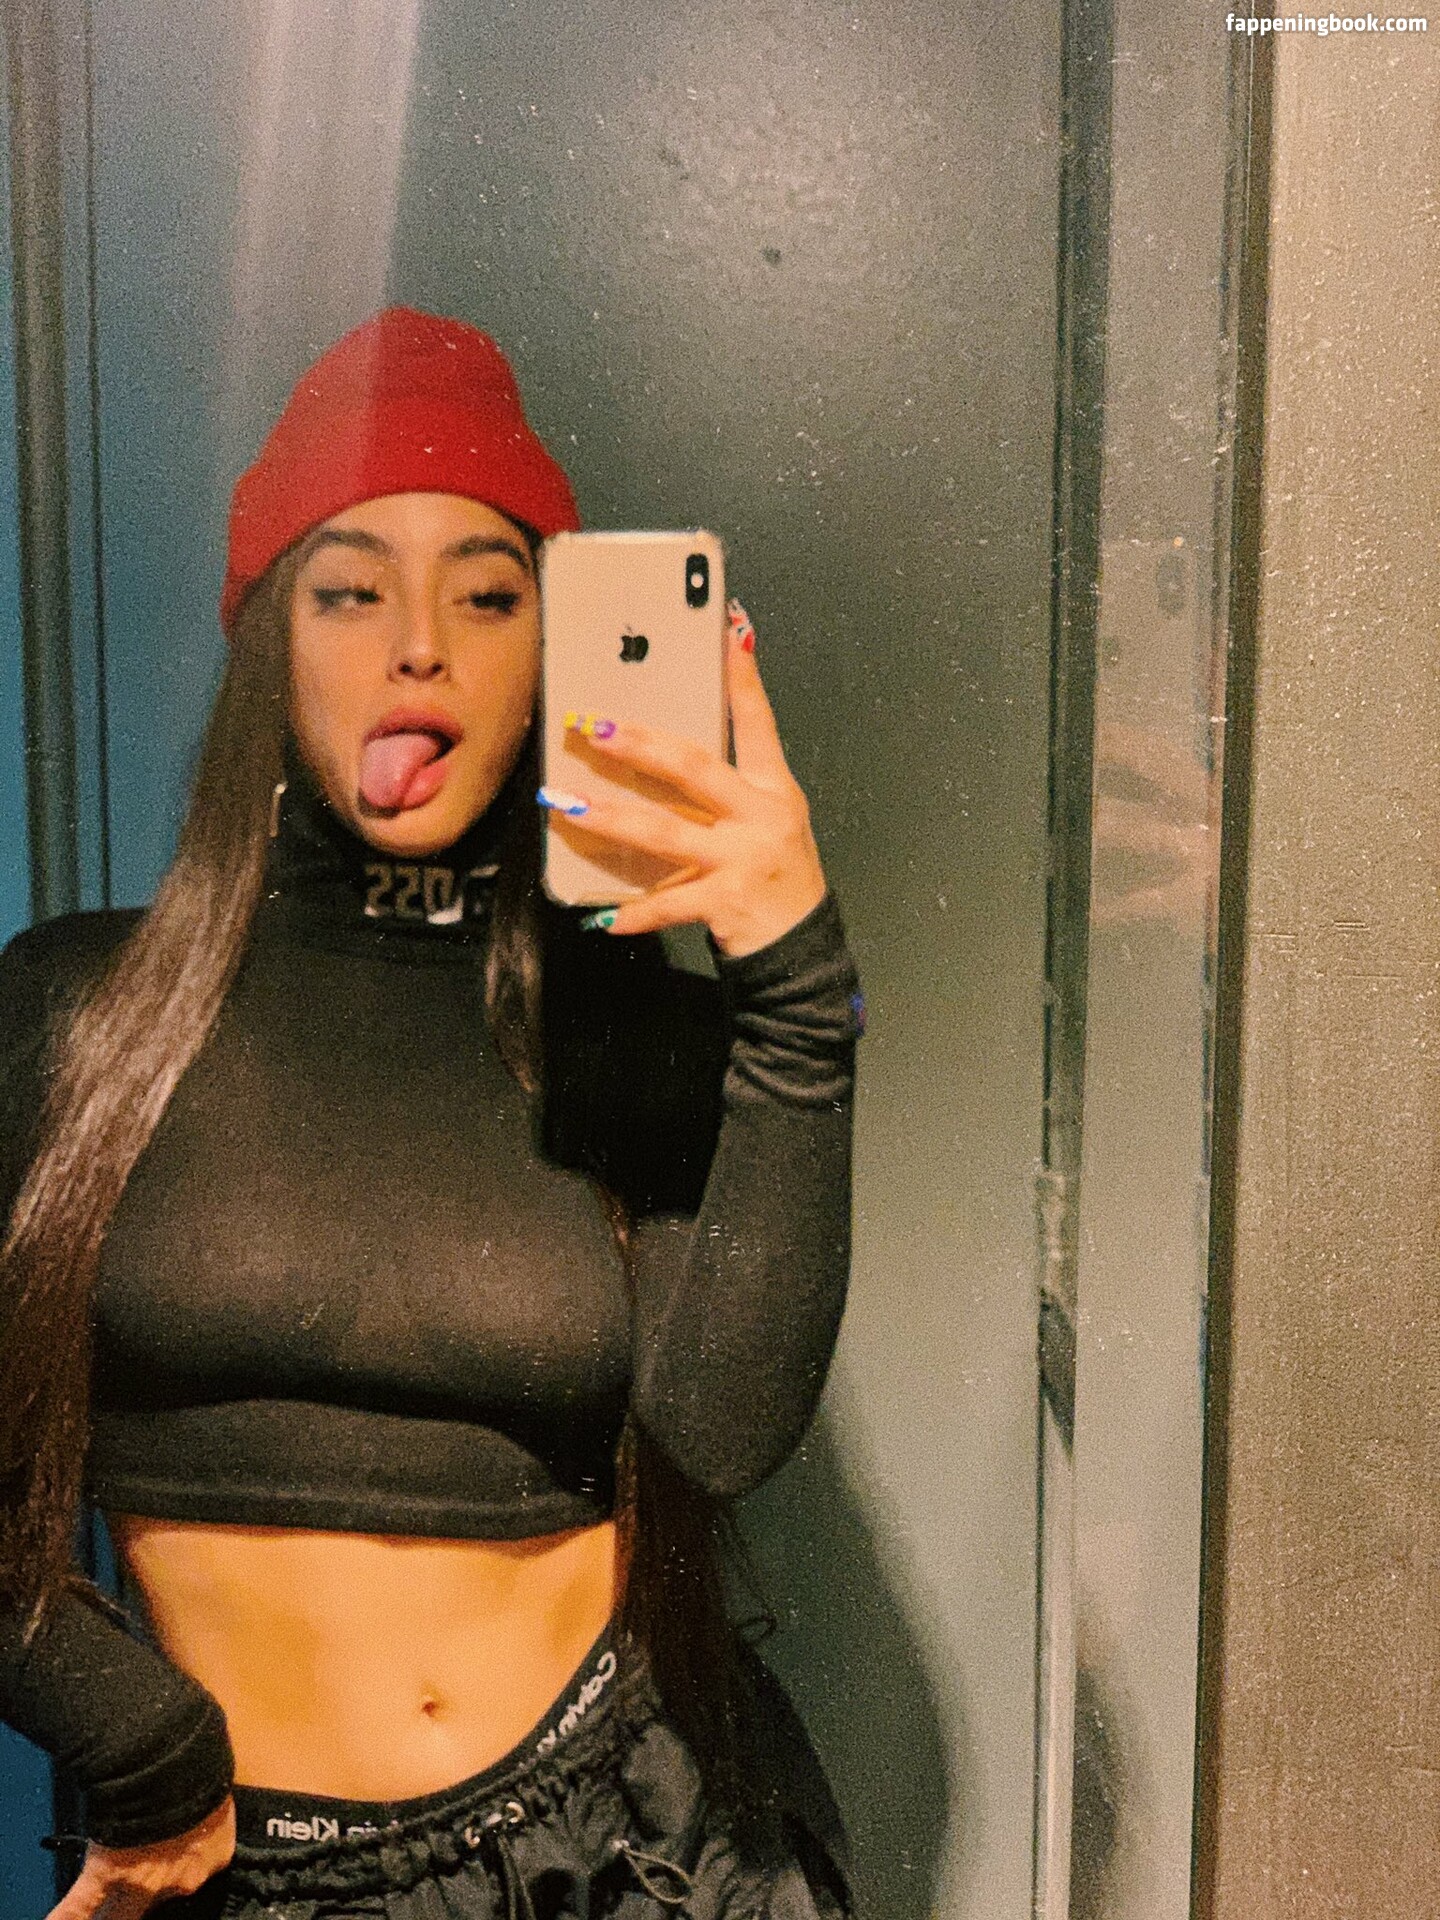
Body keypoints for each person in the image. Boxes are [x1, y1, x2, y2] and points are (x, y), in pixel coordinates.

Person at [0, 307, 864, 1919]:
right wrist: (135, 1739)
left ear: (550, 655)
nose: (422, 645)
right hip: (249, 1873)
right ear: (271, 639)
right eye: (352, 590)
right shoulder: (74, 1009)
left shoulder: (637, 1036)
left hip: (638, 1851)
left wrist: (799, 1001)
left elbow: (725, 1433)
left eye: (488, 593)